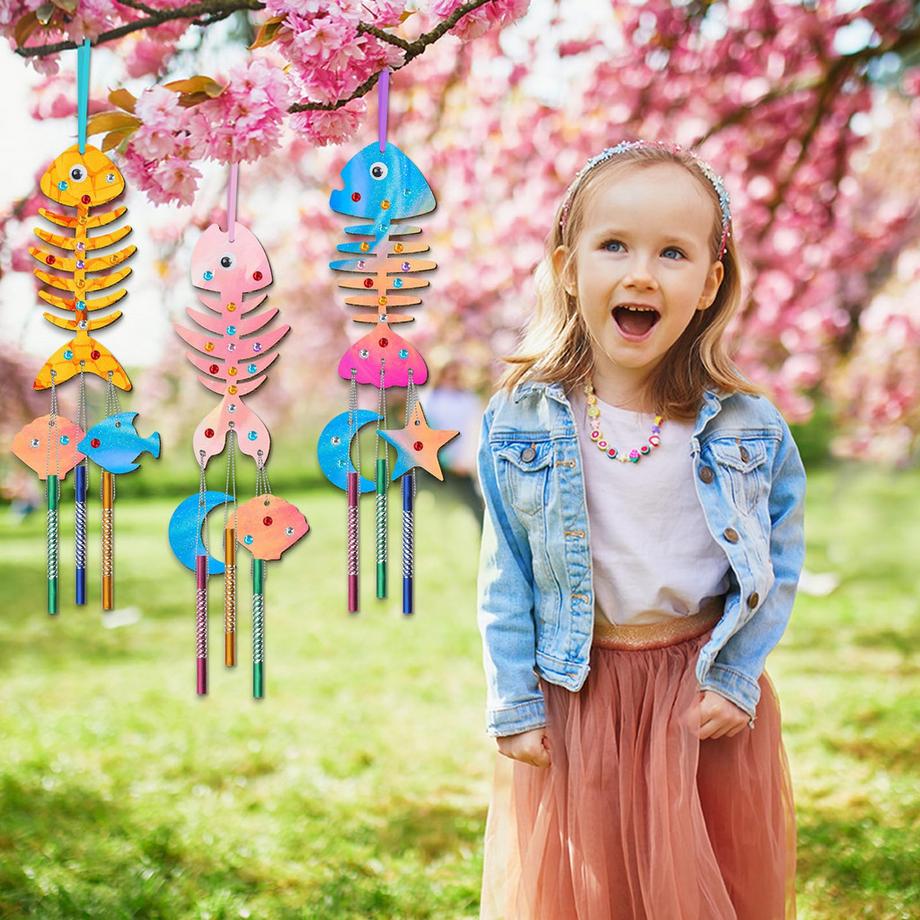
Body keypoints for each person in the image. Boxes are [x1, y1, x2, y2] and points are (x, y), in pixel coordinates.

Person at [475, 139, 805, 919]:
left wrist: (736, 675)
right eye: (614, 246)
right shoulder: (521, 419)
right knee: (595, 886)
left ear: (709, 284)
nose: (641, 274)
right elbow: (506, 571)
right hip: (581, 694)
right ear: (568, 268)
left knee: (704, 877)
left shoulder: (747, 426)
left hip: (699, 689)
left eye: (673, 253)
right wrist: (514, 701)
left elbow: (778, 561)